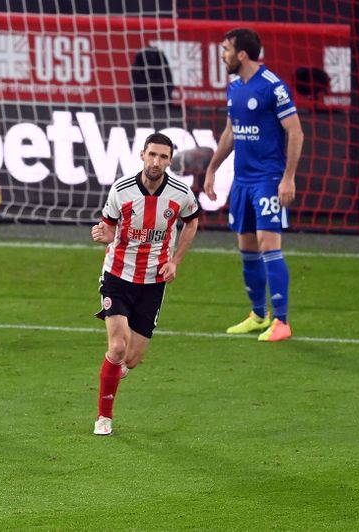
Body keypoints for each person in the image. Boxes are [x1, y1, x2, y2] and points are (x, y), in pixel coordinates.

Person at [90, 133, 200, 437]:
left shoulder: (180, 193)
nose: (156, 162)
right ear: (142, 155)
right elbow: (109, 227)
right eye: (152, 155)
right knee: (117, 346)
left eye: (163, 157)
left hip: (153, 281)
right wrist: (104, 234)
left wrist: (176, 260)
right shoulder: (121, 189)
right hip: (117, 276)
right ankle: (104, 417)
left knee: (132, 359)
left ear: (170, 160)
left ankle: (112, 373)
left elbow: (192, 221)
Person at [204, 28, 303, 342]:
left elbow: (296, 132)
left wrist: (287, 177)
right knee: (246, 247)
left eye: (226, 49)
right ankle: (259, 315)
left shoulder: (273, 87)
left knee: (267, 245)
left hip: (268, 180)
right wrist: (212, 169)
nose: (223, 55)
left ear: (241, 54)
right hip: (242, 181)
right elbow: (231, 133)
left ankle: (282, 322)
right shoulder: (234, 87)